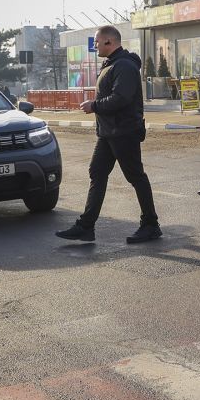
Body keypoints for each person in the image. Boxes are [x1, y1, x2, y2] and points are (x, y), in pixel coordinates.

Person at [56, 25, 160, 244]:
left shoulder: (124, 66)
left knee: (135, 176)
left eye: (96, 42)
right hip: (108, 132)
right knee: (97, 172)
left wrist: (94, 106)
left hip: (123, 131)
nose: (94, 46)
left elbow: (121, 98)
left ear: (109, 42)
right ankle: (86, 227)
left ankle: (150, 224)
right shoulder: (112, 64)